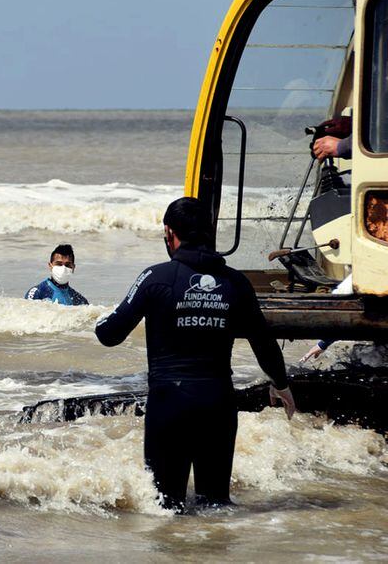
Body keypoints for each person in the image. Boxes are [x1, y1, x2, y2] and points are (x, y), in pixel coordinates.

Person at [94, 197, 295, 512]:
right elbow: (263, 341)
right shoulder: (237, 282)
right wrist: (280, 384)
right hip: (218, 404)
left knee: (167, 508)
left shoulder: (154, 277)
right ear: (209, 231)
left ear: (169, 233)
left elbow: (109, 334)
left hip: (169, 404)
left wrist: (99, 320)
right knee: (215, 505)